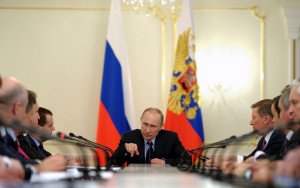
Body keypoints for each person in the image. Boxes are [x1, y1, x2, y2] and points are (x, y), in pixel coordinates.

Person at [0, 76, 68, 180]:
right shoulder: (9, 135)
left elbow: (18, 162)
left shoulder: (5, 133)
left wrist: (40, 166)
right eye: (28, 109)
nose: (36, 116)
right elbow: (10, 167)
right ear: (17, 108)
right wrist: (39, 168)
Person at [112, 107, 190, 167]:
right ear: (141, 121)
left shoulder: (171, 138)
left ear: (161, 126)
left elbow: (187, 161)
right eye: (145, 124)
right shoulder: (129, 137)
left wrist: (165, 162)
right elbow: (113, 162)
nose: (147, 130)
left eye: (153, 126)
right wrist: (125, 149)